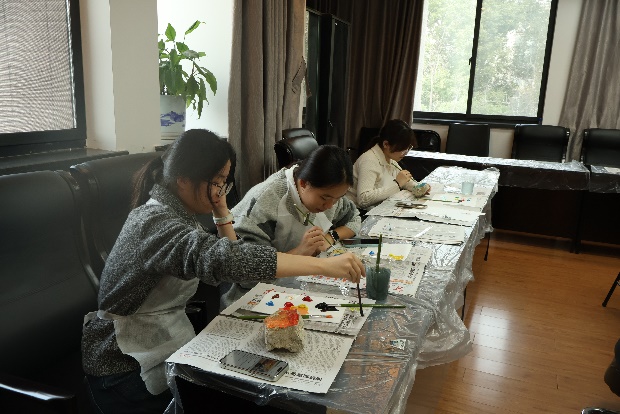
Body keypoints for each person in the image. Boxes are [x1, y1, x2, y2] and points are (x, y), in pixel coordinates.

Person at [81, 130, 364, 414]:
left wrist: (221, 213)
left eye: (224, 182)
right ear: (183, 179)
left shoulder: (178, 214)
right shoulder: (153, 222)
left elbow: (232, 261)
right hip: (124, 365)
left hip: (166, 341)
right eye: (217, 182)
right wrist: (324, 265)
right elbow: (227, 260)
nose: (220, 191)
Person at [232, 144, 360, 255]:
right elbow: (250, 267)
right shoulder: (266, 201)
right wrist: (300, 252)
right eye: (324, 198)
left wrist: (330, 237)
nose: (330, 206)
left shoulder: (331, 193)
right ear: (303, 183)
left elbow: (354, 219)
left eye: (337, 199)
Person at [347, 119, 431, 210]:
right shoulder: (369, 160)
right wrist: (397, 184)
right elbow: (363, 199)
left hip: (376, 208)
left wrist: (418, 188)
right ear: (386, 144)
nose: (405, 153)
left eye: (407, 148)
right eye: (401, 148)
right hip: (359, 211)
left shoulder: (390, 158)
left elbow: (404, 181)